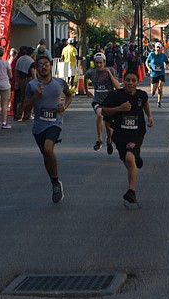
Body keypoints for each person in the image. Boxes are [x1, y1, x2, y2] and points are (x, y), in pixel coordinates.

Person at [22, 55, 73, 204]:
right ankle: (54, 182)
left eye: (46, 64)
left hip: (55, 123)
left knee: (49, 149)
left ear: (51, 66)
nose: (43, 67)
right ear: (36, 68)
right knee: (46, 156)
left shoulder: (59, 83)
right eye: (40, 65)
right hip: (39, 126)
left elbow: (69, 95)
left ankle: (56, 182)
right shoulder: (32, 86)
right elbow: (25, 110)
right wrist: (36, 97)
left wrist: (65, 106)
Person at [101, 70, 155, 205]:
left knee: (129, 158)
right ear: (123, 81)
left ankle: (131, 192)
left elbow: (145, 103)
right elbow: (103, 111)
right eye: (128, 80)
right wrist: (119, 109)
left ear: (137, 82)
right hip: (119, 134)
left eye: (133, 80)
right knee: (128, 161)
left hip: (136, 133)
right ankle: (136, 159)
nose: (130, 83)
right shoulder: (115, 95)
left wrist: (149, 116)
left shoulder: (141, 95)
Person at [85, 52, 121, 152]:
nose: (99, 65)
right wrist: (87, 90)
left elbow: (117, 87)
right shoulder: (91, 72)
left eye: (101, 63)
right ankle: (99, 140)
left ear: (104, 62)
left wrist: (109, 74)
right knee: (100, 114)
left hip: (109, 102)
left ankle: (109, 140)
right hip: (97, 100)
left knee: (109, 128)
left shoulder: (111, 71)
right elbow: (85, 78)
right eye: (97, 63)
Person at [13, 46, 36, 121]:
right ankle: (27, 114)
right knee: (29, 97)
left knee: (22, 98)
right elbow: (33, 72)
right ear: (32, 53)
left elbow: (16, 71)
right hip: (29, 80)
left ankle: (19, 114)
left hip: (21, 80)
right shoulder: (31, 61)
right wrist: (35, 81)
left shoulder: (20, 59)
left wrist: (16, 81)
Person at [146, 42, 169, 108]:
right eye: (157, 48)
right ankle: (153, 91)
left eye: (159, 48)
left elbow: (167, 62)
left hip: (161, 73)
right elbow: (147, 62)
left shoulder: (163, 55)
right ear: (155, 48)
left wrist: (167, 66)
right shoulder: (152, 54)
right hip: (153, 73)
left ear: (161, 49)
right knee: (153, 91)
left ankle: (159, 101)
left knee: (160, 86)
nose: (158, 50)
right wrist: (149, 68)